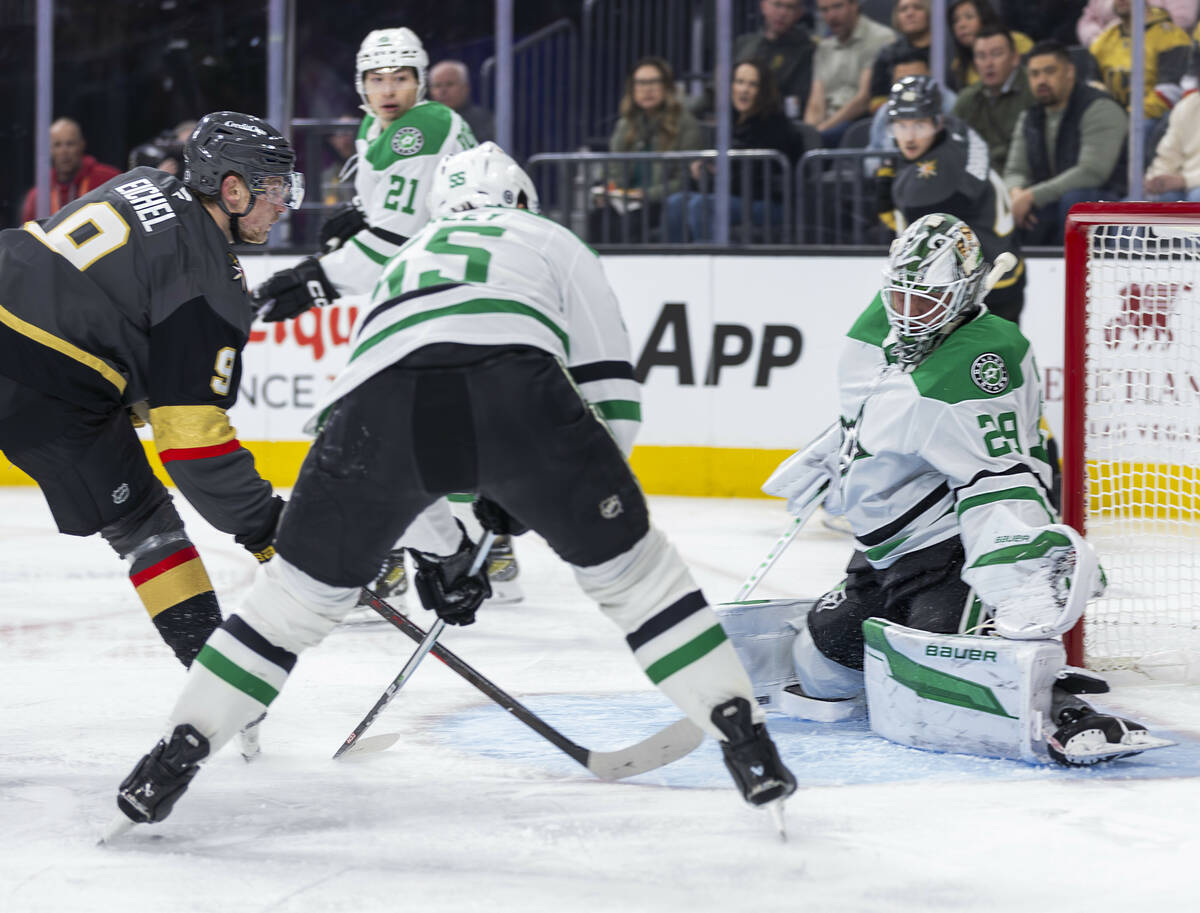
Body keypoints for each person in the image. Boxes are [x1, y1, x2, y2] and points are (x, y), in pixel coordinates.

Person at [111, 143, 797, 830]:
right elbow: (609, 389)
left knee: (289, 604)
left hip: (367, 417)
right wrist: (566, 498)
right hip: (515, 389)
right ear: (522, 200)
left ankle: (172, 756)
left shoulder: (406, 258)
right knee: (640, 581)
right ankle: (747, 742)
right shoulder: (549, 237)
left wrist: (442, 550)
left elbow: (392, 438)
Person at [720, 213, 1170, 768]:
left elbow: (999, 483)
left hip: (951, 555)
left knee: (959, 671)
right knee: (819, 668)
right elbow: (872, 407)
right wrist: (839, 454)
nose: (908, 314)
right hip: (885, 556)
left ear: (962, 294)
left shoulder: (983, 358)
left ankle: (1063, 710)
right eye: (901, 298)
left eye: (925, 300)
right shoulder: (883, 324)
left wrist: (1018, 574)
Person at [0, 112, 298, 687]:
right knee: (144, 523)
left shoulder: (144, 182)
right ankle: (225, 689)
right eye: (276, 187)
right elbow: (192, 448)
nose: (285, 203)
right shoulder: (210, 285)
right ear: (233, 190)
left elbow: (110, 308)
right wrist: (267, 531)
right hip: (42, 380)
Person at [253, 27, 483, 603]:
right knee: (417, 434)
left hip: (441, 299)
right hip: (426, 299)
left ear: (420, 80)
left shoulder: (423, 128)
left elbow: (394, 241)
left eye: (401, 78)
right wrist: (358, 214)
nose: (389, 90)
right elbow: (391, 214)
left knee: (370, 431)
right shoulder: (377, 127)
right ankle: (455, 547)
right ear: (361, 84)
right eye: (377, 79)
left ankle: (443, 550)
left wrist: (314, 279)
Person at [876, 76, 1024, 323]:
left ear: (937, 121)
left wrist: (884, 189)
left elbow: (910, 236)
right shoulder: (958, 131)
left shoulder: (925, 186)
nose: (909, 137)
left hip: (975, 289)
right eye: (901, 126)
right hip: (1005, 267)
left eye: (919, 125)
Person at [1004, 40, 1128, 245]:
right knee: (1015, 209)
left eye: (1049, 71)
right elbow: (1014, 171)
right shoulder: (1030, 117)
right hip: (1053, 199)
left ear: (1069, 72)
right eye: (1034, 74)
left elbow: (1092, 172)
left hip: (1107, 197)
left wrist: (1032, 196)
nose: (1041, 80)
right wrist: (1017, 194)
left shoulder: (1099, 107)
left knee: (1075, 203)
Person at [666, 60, 797, 242]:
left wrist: (715, 173)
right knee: (675, 203)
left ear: (764, 90)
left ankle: (711, 264)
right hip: (734, 195)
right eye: (739, 82)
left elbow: (753, 180)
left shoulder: (776, 125)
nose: (744, 89)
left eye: (753, 84)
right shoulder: (730, 122)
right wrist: (704, 168)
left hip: (768, 202)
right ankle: (679, 264)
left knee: (702, 205)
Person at [592, 56, 702, 244]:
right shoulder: (625, 125)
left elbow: (685, 180)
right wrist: (607, 191)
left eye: (654, 82)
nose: (647, 89)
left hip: (659, 201)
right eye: (641, 83)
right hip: (627, 200)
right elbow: (613, 167)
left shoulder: (685, 124)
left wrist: (647, 194)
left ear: (667, 87)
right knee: (597, 217)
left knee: (633, 222)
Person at [804, 0, 896, 146]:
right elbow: (816, 102)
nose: (831, 16)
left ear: (855, 5)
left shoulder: (880, 38)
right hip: (827, 127)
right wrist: (808, 133)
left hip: (857, 123)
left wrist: (820, 132)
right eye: (824, 10)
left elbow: (863, 100)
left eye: (837, 6)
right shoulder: (824, 48)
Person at [1090, 1, 1194, 124]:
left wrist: (1126, 117)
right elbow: (1093, 87)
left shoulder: (1171, 37)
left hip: (1155, 119)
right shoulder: (1102, 41)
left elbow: (1170, 93)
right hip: (1114, 119)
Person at [951, 27, 1037, 175]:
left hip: (1026, 175)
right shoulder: (968, 98)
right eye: (981, 56)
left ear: (1015, 58)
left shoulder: (1033, 90)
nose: (988, 63)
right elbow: (951, 143)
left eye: (996, 54)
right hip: (981, 176)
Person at [20, 118, 121, 223]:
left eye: (70, 144)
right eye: (57, 145)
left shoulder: (109, 179)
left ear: (81, 145)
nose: (64, 151)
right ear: (49, 150)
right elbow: (28, 235)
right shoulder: (39, 194)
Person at [733, 0, 818, 118]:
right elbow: (716, 87)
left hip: (774, 122)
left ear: (799, 13)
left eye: (790, 7)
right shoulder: (744, 44)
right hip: (731, 118)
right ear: (763, 6)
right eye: (777, 5)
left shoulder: (806, 51)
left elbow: (796, 102)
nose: (782, 13)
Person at [946, 0, 1033, 91]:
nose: (961, 25)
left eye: (969, 17)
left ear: (985, 18)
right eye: (955, 21)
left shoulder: (1018, 42)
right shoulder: (957, 66)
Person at [868, 0, 933, 112]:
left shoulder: (946, 50)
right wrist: (897, 91)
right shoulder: (887, 54)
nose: (910, 13)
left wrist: (929, 80)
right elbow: (876, 105)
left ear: (929, 12)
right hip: (898, 117)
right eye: (903, 9)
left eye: (917, 7)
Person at [1141, 90, 1200, 201]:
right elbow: (1168, 154)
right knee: (1148, 199)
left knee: (1196, 197)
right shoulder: (1188, 105)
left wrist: (1185, 181)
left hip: (1191, 186)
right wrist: (1155, 180)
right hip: (1183, 186)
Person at [429, 60, 496, 143]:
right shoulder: (424, 122)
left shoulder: (484, 122)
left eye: (449, 84)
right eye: (437, 86)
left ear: (465, 88)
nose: (443, 91)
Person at [1078, 0, 1197, 46]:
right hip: (1109, 52)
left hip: (1162, 50)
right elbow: (1087, 21)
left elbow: (1182, 19)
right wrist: (1100, 40)